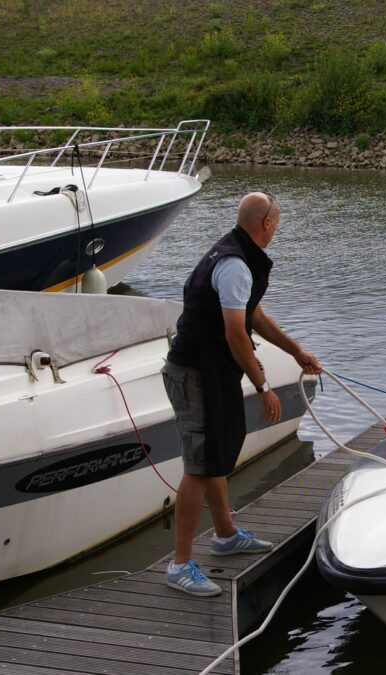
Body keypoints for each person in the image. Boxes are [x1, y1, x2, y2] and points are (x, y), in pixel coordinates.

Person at [161, 191, 322, 597]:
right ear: (266, 223)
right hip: (194, 372)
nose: (277, 229)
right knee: (199, 466)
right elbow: (236, 333)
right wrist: (262, 386)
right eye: (277, 222)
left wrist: (296, 351)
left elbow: (254, 315)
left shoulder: (239, 255)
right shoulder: (234, 264)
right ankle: (179, 565)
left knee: (215, 454)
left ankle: (225, 534)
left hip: (211, 371)